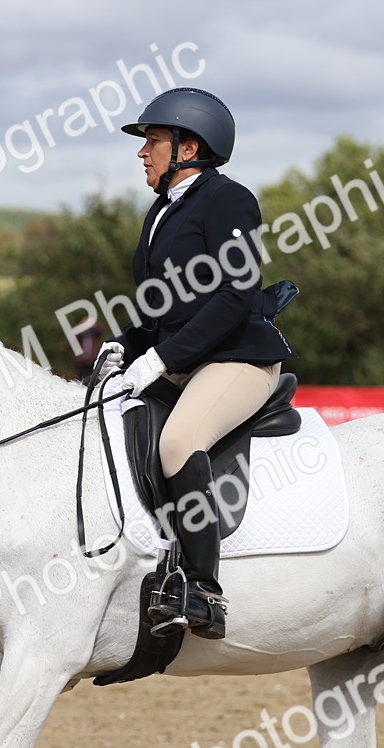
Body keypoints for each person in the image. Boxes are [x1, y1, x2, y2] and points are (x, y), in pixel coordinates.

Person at [95, 87, 298, 639]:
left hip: (239, 358)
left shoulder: (229, 200)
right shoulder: (161, 211)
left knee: (179, 443)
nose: (143, 152)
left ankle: (202, 589)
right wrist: (126, 344)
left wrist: (161, 358)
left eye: (153, 141)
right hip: (185, 357)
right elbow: (166, 309)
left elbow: (234, 297)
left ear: (189, 148)